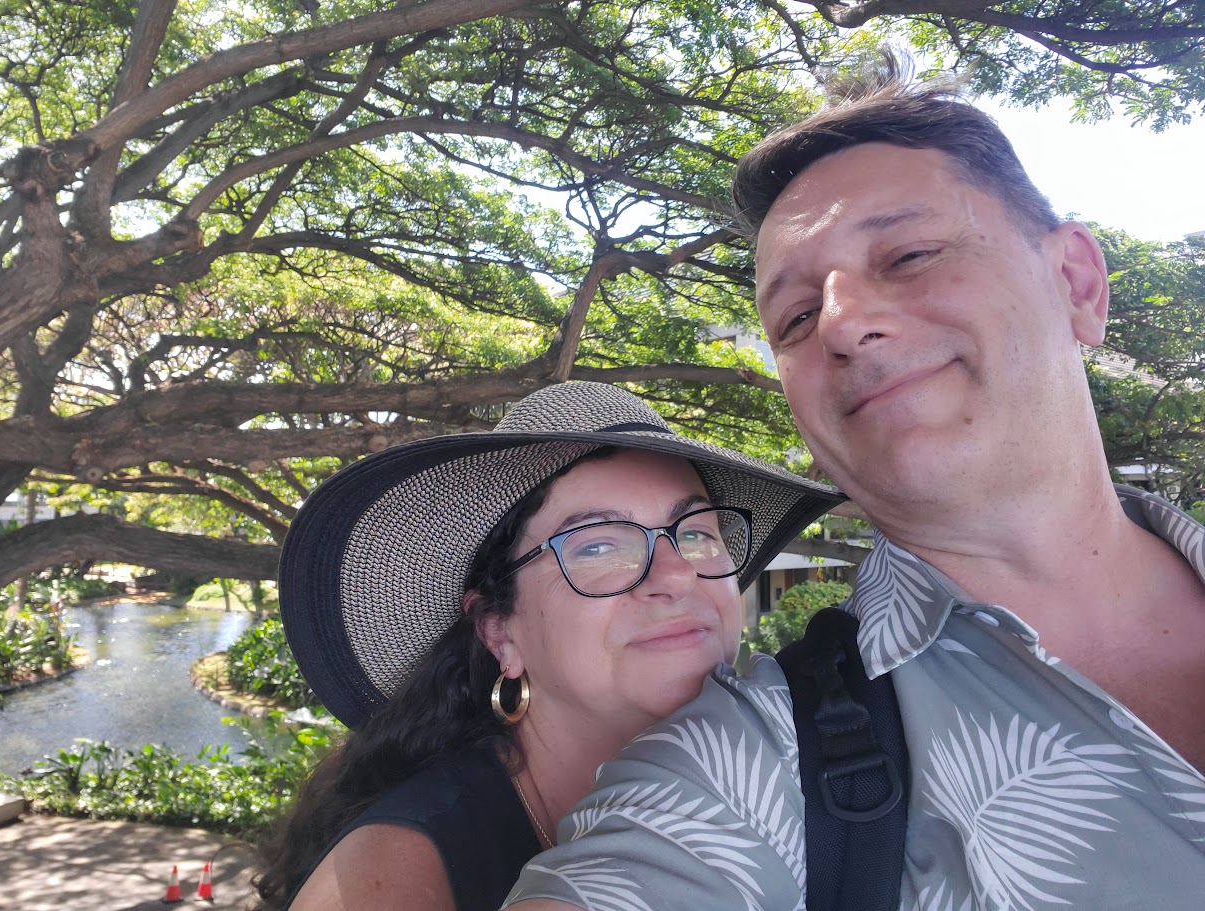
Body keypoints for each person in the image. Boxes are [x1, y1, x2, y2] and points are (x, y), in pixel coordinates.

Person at [504, 57, 1205, 911]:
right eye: (794, 318)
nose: (839, 322)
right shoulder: (755, 762)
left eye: (908, 254)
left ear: (1076, 284)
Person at [253, 380, 842, 910]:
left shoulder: (812, 769)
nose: (677, 575)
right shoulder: (395, 874)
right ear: (500, 632)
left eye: (694, 533)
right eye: (596, 546)